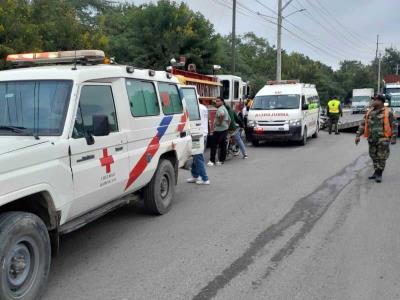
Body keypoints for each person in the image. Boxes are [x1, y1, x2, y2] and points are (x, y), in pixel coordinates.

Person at [355, 94, 397, 183]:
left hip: (383, 139)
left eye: (375, 100)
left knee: (381, 157)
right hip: (371, 139)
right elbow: (363, 124)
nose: (373, 101)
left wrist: (393, 137)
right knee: (373, 155)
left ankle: (379, 174)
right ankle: (376, 171)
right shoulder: (369, 112)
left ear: (381, 101)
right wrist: (358, 135)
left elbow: (394, 125)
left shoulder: (388, 112)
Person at [187, 103, 210, 185]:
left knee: (198, 157)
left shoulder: (194, 108)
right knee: (195, 157)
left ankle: (205, 178)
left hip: (197, 135)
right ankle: (195, 175)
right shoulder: (203, 107)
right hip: (203, 134)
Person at [208, 97, 230, 166]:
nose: (217, 102)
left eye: (218, 101)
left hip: (218, 130)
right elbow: (229, 120)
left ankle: (212, 160)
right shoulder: (224, 108)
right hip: (224, 130)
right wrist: (226, 127)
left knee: (213, 145)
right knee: (223, 145)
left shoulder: (220, 109)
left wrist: (219, 123)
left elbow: (222, 115)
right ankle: (221, 160)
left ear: (222, 102)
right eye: (216, 101)